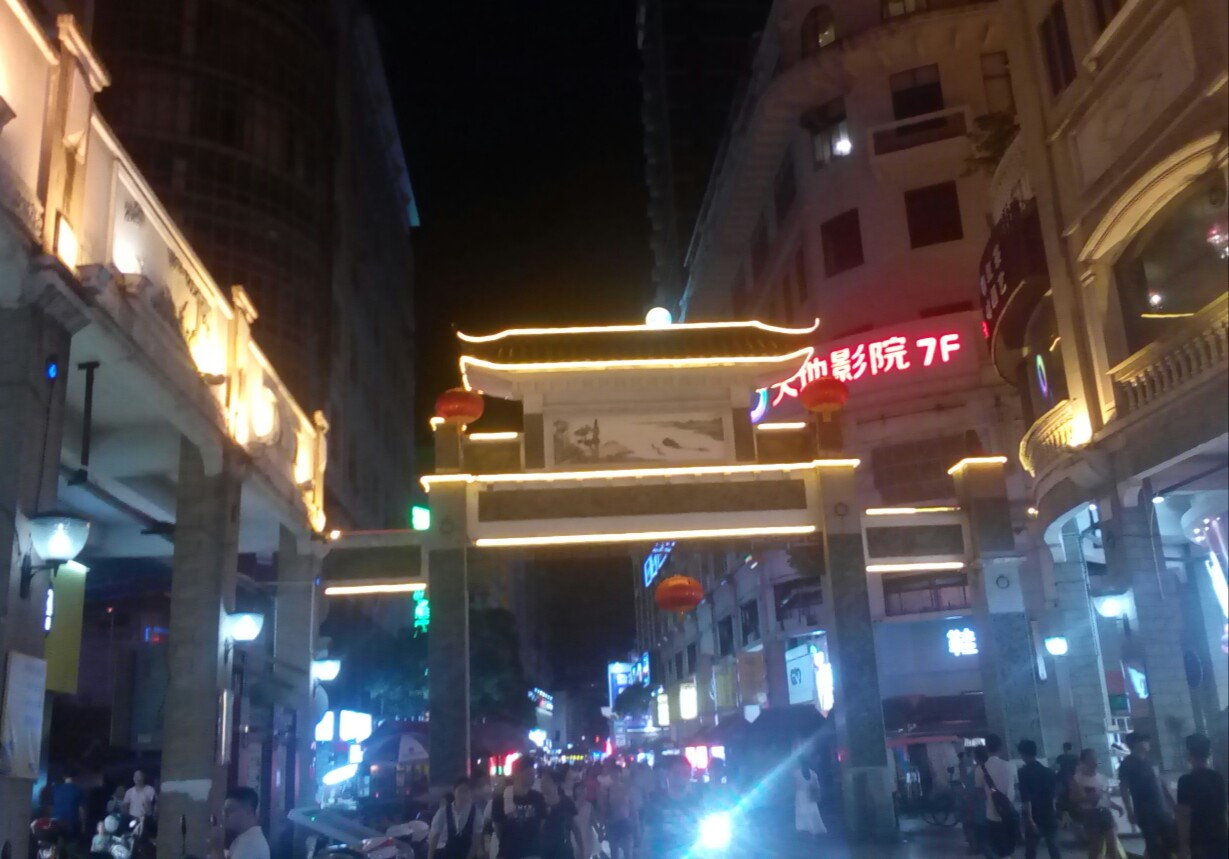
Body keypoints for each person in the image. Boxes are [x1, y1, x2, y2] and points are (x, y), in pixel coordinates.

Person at [1118, 732, 1176, 858]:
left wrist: (1172, 802)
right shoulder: (1127, 764)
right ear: (1135, 744)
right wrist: (1129, 810)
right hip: (1145, 811)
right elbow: (1124, 788)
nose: (1148, 743)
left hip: (1162, 809)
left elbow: (1162, 782)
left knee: (1170, 842)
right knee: (1153, 843)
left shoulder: (1151, 760)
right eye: (1144, 740)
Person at [640, 756, 704, 859]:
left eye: (686, 774)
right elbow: (647, 836)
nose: (681, 778)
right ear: (668, 775)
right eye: (677, 773)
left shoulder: (697, 803)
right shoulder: (656, 803)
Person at [1175, 733, 1227, 859]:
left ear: (1189, 755)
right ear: (1208, 754)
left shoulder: (1185, 781)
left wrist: (1183, 846)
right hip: (1221, 836)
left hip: (1199, 841)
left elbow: (1184, 815)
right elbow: (1224, 810)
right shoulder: (1218, 778)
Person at [491, 758, 548, 859]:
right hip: (507, 854)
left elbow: (541, 825)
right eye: (529, 774)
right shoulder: (500, 800)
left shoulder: (538, 798)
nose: (532, 778)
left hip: (532, 853)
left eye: (533, 774)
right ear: (516, 774)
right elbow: (498, 829)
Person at [1071, 748, 1123, 859]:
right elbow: (1074, 798)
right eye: (1091, 758)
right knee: (1095, 846)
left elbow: (1106, 799)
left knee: (1112, 844)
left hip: (1105, 812)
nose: (1094, 760)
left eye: (1095, 757)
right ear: (1084, 761)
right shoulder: (1077, 779)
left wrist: (1117, 807)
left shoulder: (1102, 778)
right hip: (1090, 814)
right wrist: (1088, 798)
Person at [973, 735, 1019, 859]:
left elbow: (980, 793)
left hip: (992, 815)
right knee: (1009, 848)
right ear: (1001, 748)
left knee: (997, 848)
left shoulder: (980, 769)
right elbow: (1015, 787)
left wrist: (991, 796)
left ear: (986, 747)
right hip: (1009, 813)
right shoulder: (1011, 766)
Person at [1016, 740, 1060, 859]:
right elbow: (1053, 796)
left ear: (1023, 753)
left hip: (1034, 815)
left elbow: (1026, 799)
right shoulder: (1048, 772)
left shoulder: (1023, 772)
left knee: (1031, 850)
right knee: (1054, 849)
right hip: (1049, 814)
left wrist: (1030, 820)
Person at [428, 776, 483, 859]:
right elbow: (434, 836)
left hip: (468, 854)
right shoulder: (443, 811)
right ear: (454, 792)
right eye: (460, 791)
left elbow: (476, 840)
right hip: (449, 854)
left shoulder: (476, 813)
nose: (463, 795)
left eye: (466, 791)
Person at [209, 787, 269, 859]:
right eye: (224, 811)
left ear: (249, 812)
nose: (225, 815)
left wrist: (217, 848)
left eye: (230, 810)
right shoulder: (244, 839)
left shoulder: (250, 843)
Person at [540, 770, 582, 859]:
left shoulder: (566, 802)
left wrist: (581, 849)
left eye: (546, 781)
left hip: (564, 851)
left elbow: (575, 827)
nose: (542, 784)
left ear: (556, 784)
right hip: (545, 852)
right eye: (542, 781)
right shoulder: (538, 803)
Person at [601, 763, 635, 859]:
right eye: (613, 773)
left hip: (625, 822)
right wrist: (601, 828)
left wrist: (636, 826)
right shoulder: (607, 790)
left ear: (620, 774)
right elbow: (603, 809)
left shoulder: (627, 788)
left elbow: (633, 808)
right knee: (614, 852)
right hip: (612, 823)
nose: (615, 775)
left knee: (628, 852)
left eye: (617, 773)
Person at [793, 757, 827, 838]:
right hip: (810, 796)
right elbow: (817, 786)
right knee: (812, 813)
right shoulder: (813, 774)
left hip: (800, 796)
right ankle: (812, 829)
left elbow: (794, 786)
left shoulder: (796, 774)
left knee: (803, 813)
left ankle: (805, 830)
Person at [52, 767, 88, 841]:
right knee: (71, 844)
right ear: (75, 777)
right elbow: (81, 810)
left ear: (64, 777)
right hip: (72, 823)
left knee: (57, 843)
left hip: (56, 822)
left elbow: (50, 807)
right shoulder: (79, 790)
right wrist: (83, 825)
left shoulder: (56, 789)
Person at [123, 770, 158, 835]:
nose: (137, 778)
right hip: (132, 820)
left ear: (143, 777)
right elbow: (125, 807)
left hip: (146, 820)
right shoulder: (129, 792)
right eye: (135, 776)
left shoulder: (150, 790)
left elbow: (155, 804)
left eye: (139, 776)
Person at [570, 780, 598, 859]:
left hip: (587, 835)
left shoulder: (589, 805)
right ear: (575, 791)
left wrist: (599, 831)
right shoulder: (571, 805)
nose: (582, 790)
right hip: (574, 835)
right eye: (579, 788)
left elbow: (593, 821)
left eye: (584, 788)